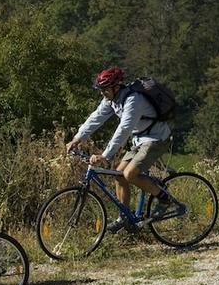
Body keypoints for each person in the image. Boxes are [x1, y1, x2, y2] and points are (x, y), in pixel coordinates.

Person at [65, 67, 174, 232]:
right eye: (101, 89)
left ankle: (164, 199)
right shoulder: (111, 100)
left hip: (156, 138)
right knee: (119, 175)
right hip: (139, 140)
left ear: (117, 86)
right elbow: (96, 118)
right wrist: (77, 138)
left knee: (129, 174)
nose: (103, 93)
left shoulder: (133, 100)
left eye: (106, 89)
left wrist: (105, 155)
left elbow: (123, 130)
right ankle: (125, 218)